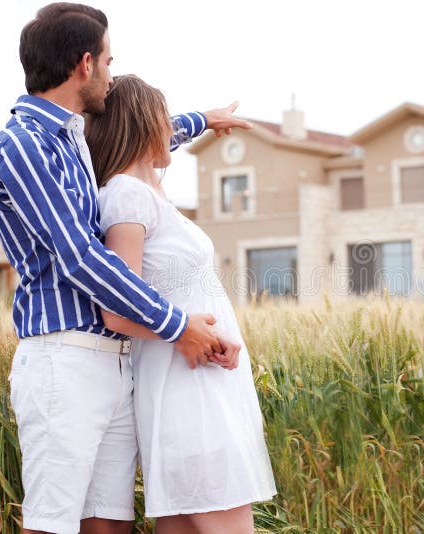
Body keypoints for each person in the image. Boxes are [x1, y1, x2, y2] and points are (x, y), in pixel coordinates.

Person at [0, 4, 250, 533]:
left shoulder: (73, 138)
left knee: (109, 525)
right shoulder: (22, 145)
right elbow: (79, 256)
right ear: (85, 64)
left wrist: (202, 120)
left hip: (115, 361)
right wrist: (178, 327)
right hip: (65, 357)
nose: (111, 71)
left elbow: (139, 142)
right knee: (52, 523)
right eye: (108, 60)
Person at [86, 74, 276, 534]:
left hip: (196, 381)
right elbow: (119, 307)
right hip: (188, 392)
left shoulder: (145, 193)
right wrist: (190, 334)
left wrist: (207, 120)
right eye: (160, 120)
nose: (168, 131)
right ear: (143, 127)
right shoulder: (128, 194)